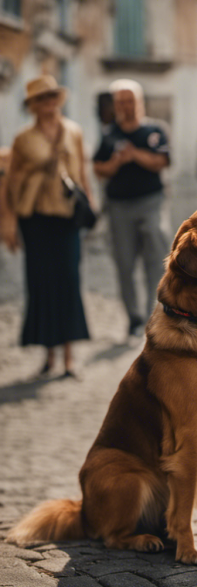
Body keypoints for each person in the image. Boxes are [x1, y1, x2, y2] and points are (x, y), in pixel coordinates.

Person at [0, 75, 93, 377]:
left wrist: (88, 208)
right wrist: (8, 223)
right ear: (33, 105)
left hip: (66, 217)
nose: (49, 102)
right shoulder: (23, 139)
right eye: (42, 98)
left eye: (52, 96)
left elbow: (81, 173)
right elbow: (10, 183)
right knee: (41, 283)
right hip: (35, 218)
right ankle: (48, 354)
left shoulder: (73, 132)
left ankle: (68, 356)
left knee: (68, 281)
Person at [93, 79, 171, 337]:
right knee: (124, 264)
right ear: (115, 105)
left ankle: (153, 314)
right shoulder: (108, 134)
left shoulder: (155, 130)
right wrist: (116, 162)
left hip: (151, 203)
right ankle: (134, 317)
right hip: (119, 207)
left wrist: (134, 155)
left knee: (156, 259)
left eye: (130, 101)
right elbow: (98, 169)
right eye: (121, 102)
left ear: (140, 102)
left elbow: (161, 161)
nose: (126, 106)